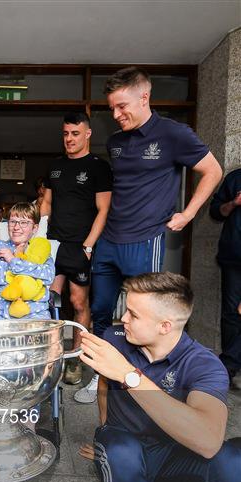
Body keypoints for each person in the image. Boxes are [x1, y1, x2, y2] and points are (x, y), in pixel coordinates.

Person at [78, 66, 222, 403]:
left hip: (145, 240)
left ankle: (141, 379)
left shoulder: (174, 134)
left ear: (145, 97)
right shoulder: (115, 142)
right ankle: (102, 373)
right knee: (100, 309)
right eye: (112, 108)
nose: (116, 115)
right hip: (109, 240)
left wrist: (187, 214)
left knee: (142, 314)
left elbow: (212, 170)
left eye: (122, 106)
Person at [78, 272, 241, 482]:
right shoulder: (115, 337)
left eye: (133, 314)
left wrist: (129, 375)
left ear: (165, 325)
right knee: (120, 447)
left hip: (172, 470)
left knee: (235, 458)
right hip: (125, 456)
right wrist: (104, 432)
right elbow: (105, 385)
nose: (124, 319)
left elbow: (209, 440)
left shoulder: (204, 365)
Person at [40, 111, 113, 385]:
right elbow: (46, 202)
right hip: (53, 244)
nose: (69, 139)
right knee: (48, 300)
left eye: (75, 134)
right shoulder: (55, 166)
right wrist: (41, 236)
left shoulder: (98, 167)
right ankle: (50, 358)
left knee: (78, 301)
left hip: (80, 246)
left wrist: (89, 246)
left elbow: (103, 209)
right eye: (66, 134)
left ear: (88, 134)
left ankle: (76, 360)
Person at [0, 202, 54, 320]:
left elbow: (48, 277)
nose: (16, 227)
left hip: (33, 311)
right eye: (13, 222)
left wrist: (12, 260)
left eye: (24, 222)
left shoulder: (40, 250)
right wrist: (30, 273)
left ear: (35, 228)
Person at [209, 167, 241, 386]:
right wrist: (234, 204)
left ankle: (228, 364)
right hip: (234, 259)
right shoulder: (235, 177)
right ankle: (229, 372)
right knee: (230, 314)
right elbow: (215, 212)